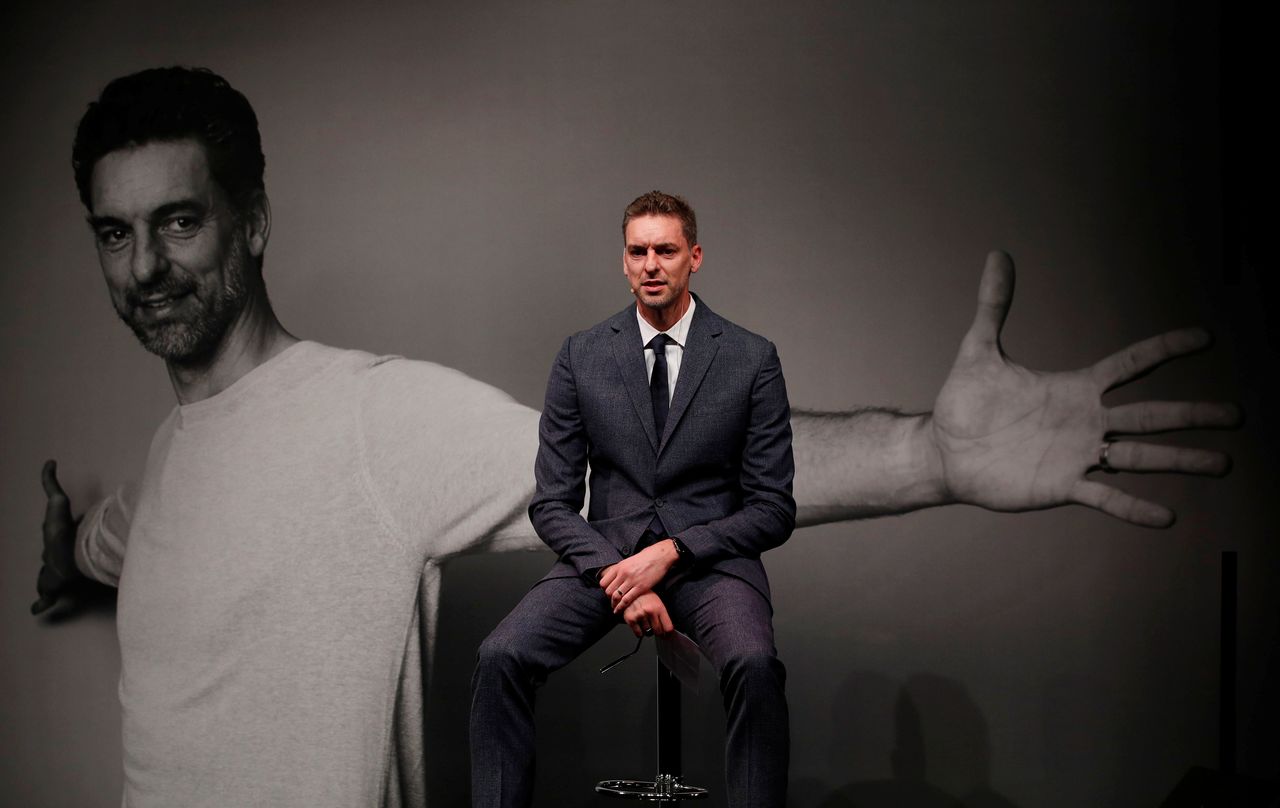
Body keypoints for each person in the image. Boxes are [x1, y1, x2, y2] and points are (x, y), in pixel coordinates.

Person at [31, 66, 1237, 807]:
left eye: (178, 222)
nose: (144, 267)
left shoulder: (365, 419)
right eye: (113, 233)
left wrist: (931, 454)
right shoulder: (165, 467)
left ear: (250, 225)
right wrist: (63, 550)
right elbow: (107, 548)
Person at [471, 191, 796, 807]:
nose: (651, 264)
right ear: (624, 262)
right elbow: (552, 504)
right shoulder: (581, 355)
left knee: (754, 667)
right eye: (638, 251)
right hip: (605, 558)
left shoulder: (752, 359)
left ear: (693, 257)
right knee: (500, 656)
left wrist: (673, 552)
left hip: (711, 563)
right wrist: (620, 576)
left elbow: (773, 508)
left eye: (665, 250)